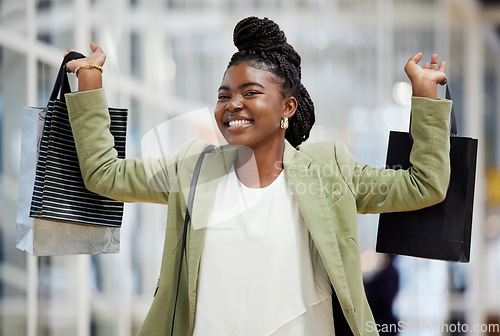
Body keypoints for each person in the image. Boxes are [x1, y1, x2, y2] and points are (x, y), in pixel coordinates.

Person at [64, 16, 450, 336]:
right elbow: (105, 175)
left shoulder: (328, 168)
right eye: (223, 94)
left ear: (287, 106)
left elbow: (424, 184)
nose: (233, 104)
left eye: (250, 92)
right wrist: (91, 83)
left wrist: (424, 96)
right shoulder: (193, 167)